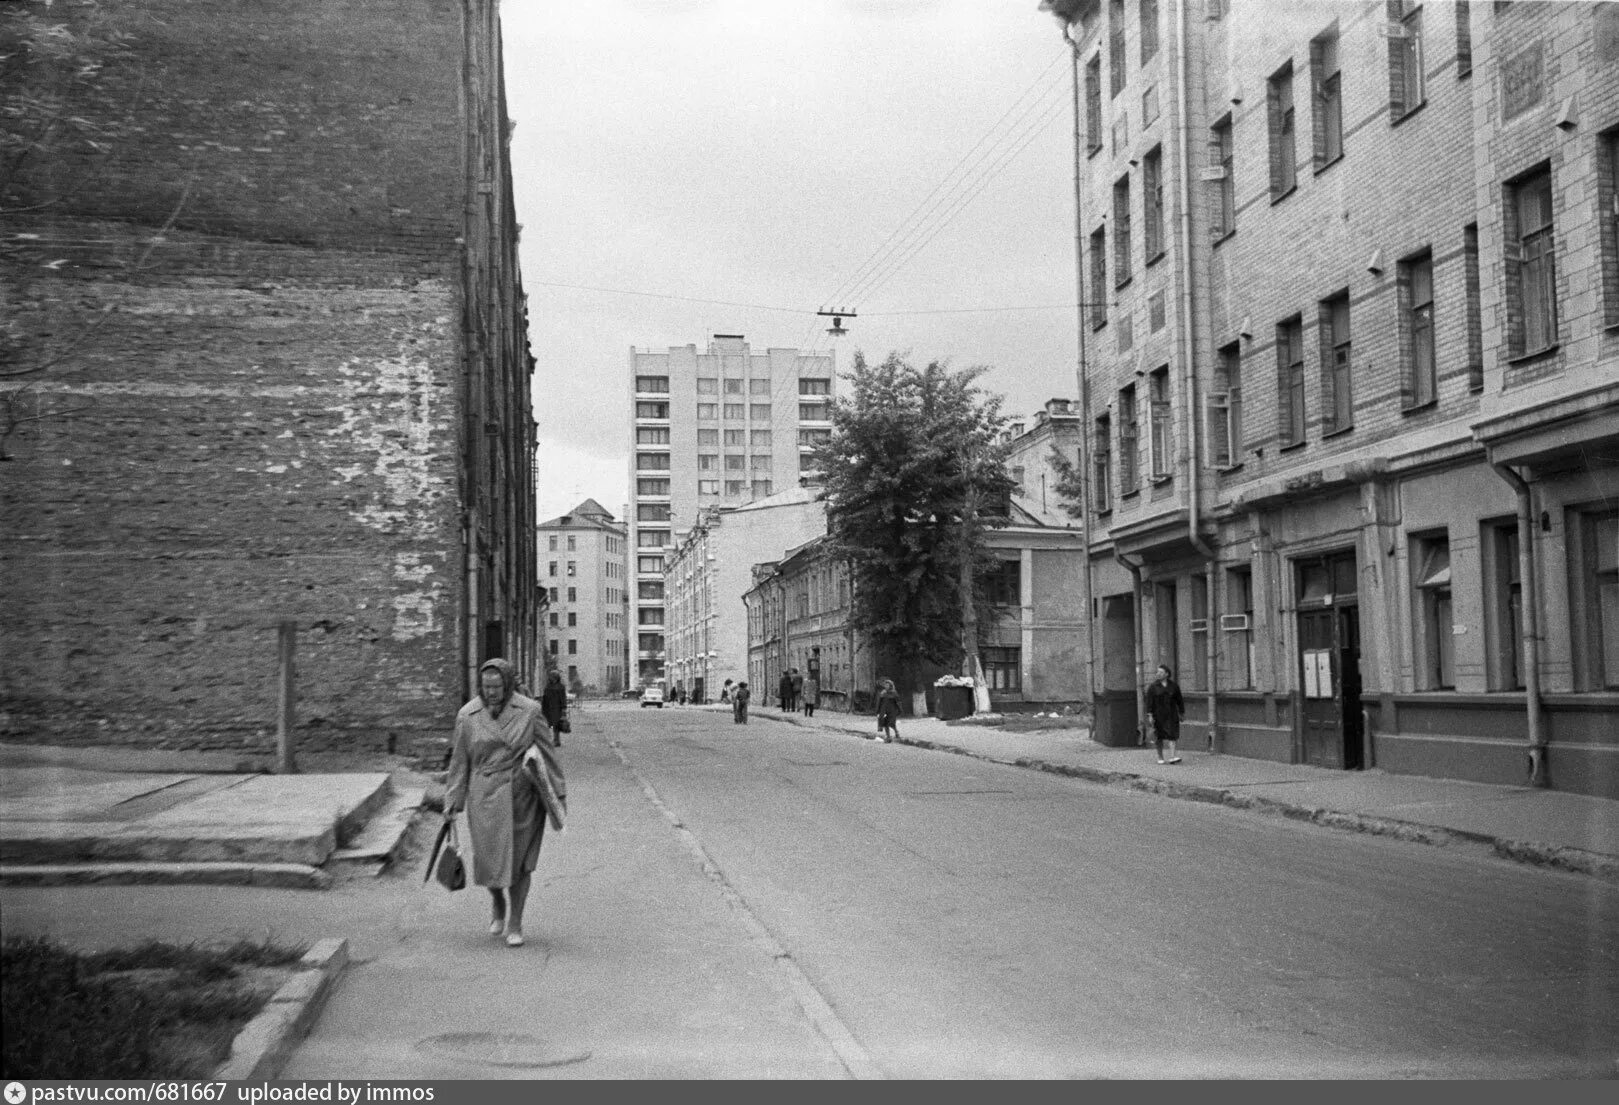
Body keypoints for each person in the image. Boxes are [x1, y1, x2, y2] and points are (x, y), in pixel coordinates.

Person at [444, 658, 559, 947]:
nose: (491, 692)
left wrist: (558, 796)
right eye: (486, 687)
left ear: (507, 685)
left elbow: (548, 754)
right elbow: (460, 761)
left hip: (522, 796)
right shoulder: (467, 715)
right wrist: (452, 801)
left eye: (497, 687)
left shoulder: (530, 711)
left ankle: (516, 921)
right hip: (484, 797)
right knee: (489, 862)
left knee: (521, 865)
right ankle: (497, 902)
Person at [1145, 663, 1185, 765]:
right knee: (1159, 736)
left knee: (1173, 734)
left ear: (1167, 674)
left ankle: (1172, 756)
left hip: (1171, 714)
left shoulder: (1174, 686)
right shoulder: (1153, 687)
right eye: (1157, 672)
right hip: (1158, 715)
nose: (1158, 674)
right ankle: (1160, 756)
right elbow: (1149, 702)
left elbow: (1179, 700)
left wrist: (1181, 712)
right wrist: (1149, 715)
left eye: (1161, 672)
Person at [539, 670, 567, 748]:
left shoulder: (561, 686)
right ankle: (547, 740)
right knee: (546, 724)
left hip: (557, 708)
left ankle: (556, 740)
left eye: (552, 676)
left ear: (556, 677)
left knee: (556, 725)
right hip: (547, 708)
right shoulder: (548, 686)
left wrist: (564, 708)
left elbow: (563, 698)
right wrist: (542, 706)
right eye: (550, 676)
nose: (551, 678)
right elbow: (545, 697)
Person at [875, 678, 900, 742]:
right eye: (885, 685)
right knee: (886, 724)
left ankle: (896, 732)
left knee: (891, 723)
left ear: (890, 685)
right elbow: (880, 702)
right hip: (884, 710)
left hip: (892, 711)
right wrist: (878, 711)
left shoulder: (894, 692)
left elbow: (898, 702)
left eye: (887, 685)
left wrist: (899, 710)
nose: (886, 686)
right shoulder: (883, 692)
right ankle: (888, 737)